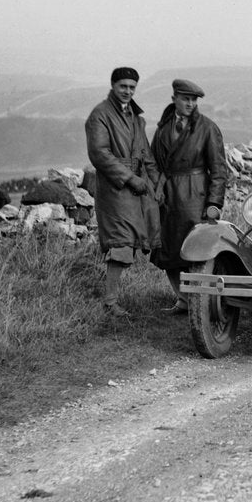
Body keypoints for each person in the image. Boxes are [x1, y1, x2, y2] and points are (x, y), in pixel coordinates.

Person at [85, 66, 161, 316]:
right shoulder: (100, 115)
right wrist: (129, 178)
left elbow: (146, 154)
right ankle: (109, 302)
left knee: (148, 236)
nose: (127, 91)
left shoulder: (136, 119)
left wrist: (157, 184)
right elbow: (100, 154)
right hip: (115, 188)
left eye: (132, 87)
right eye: (123, 86)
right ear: (113, 86)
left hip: (139, 186)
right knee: (121, 241)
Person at [150, 78, 229, 313]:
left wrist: (214, 202)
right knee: (168, 249)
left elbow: (219, 169)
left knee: (197, 250)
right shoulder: (163, 128)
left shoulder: (207, 128)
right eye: (186, 99)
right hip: (168, 196)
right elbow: (154, 162)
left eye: (194, 100)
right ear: (174, 98)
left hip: (195, 195)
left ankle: (200, 303)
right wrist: (157, 189)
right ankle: (183, 299)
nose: (191, 104)